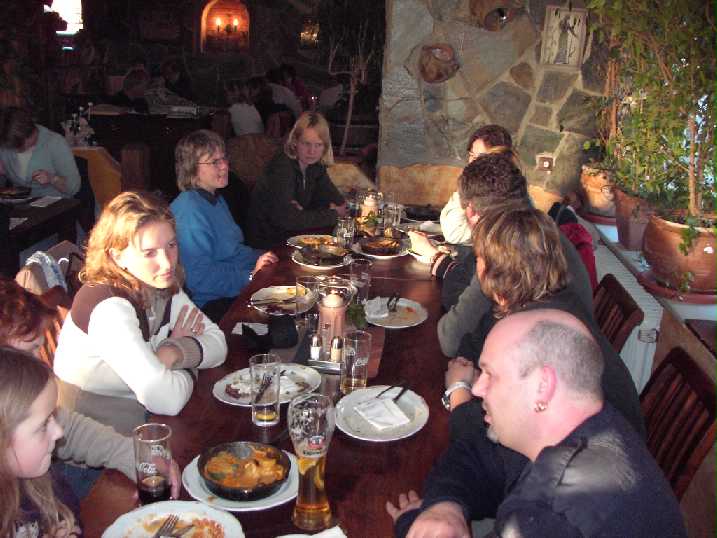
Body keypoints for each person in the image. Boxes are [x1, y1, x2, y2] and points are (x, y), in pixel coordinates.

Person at [387, 309, 687, 538]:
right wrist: (446, 506)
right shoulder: (587, 424)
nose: (477, 389)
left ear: (543, 386)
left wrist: (410, 524)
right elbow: (474, 454)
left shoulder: (557, 511)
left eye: (491, 374)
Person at [437, 205, 643, 438]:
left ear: (490, 270)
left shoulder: (535, 336)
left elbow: (490, 448)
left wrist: (459, 393)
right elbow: (469, 345)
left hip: (596, 450)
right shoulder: (538, 298)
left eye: (478, 258)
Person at [53, 191, 228, 435]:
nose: (167, 263)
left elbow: (218, 345)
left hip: (145, 418)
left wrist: (172, 352)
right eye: (149, 253)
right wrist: (186, 362)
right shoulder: (109, 309)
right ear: (117, 256)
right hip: (97, 440)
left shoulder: (159, 283)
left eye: (171, 245)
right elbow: (167, 400)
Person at [0, 279, 182, 500]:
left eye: (38, 349)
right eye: (29, 353)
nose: (40, 364)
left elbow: (69, 427)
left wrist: (132, 455)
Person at [408, 154, 594, 357]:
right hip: (568, 356)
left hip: (551, 363)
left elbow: (450, 339)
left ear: (471, 212)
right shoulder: (538, 230)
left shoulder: (508, 247)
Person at [170, 130, 277, 322]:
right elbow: (200, 279)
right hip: (209, 305)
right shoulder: (189, 211)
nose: (225, 166)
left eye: (224, 158)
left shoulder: (214, 198)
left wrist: (265, 256)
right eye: (214, 162)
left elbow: (233, 251)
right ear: (191, 168)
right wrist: (250, 276)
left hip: (232, 288)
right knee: (283, 321)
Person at [0, 348, 79, 537]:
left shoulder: (46, 482)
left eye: (53, 416)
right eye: (43, 425)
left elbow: (71, 517)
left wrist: (70, 532)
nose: (58, 432)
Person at [247, 112, 348, 248]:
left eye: (318, 145)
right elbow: (286, 219)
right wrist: (333, 214)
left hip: (291, 235)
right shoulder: (282, 166)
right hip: (267, 243)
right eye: (306, 144)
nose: (312, 151)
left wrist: (304, 214)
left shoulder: (315, 166)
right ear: (295, 141)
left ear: (325, 146)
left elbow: (338, 202)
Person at [440, 124, 514, 244]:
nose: (472, 162)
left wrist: (465, 188)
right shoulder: (482, 184)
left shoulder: (506, 193)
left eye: (481, 158)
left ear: (498, 161)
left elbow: (453, 234)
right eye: (471, 155)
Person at [0, 107, 81, 198]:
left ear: (29, 134)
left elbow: (73, 188)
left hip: (55, 202)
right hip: (18, 202)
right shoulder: (7, 139)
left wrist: (52, 178)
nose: (15, 150)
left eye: (18, 146)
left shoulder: (55, 142)